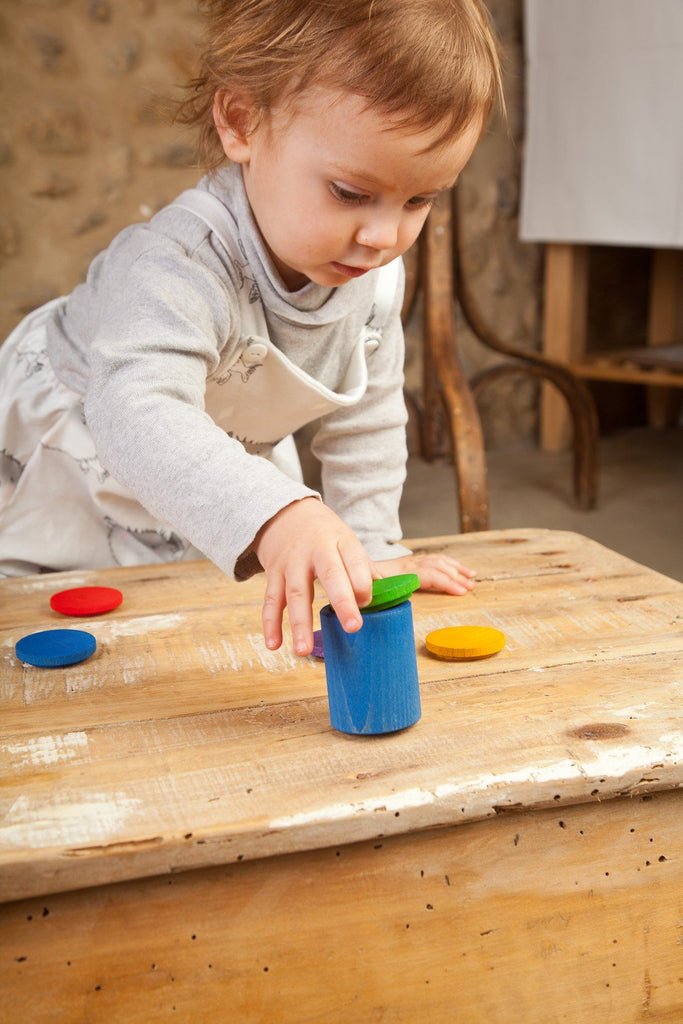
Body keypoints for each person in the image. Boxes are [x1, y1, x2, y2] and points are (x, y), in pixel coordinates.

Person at [0, 0, 503, 655]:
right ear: (242, 123)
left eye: (419, 199)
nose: (384, 236)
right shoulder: (176, 264)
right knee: (40, 624)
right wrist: (274, 511)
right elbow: (136, 412)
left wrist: (371, 548)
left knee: (176, 625)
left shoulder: (371, 274)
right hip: (82, 443)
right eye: (350, 193)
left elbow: (367, 421)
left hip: (217, 452)